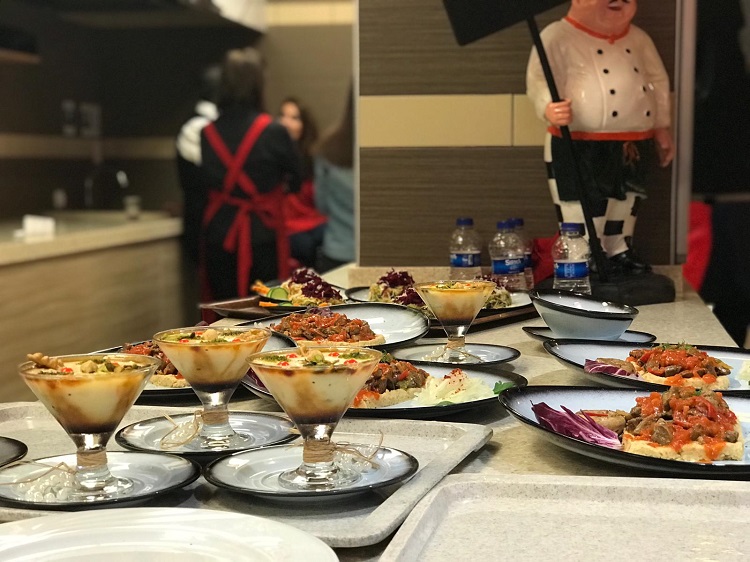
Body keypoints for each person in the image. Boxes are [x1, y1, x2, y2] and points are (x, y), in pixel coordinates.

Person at [526, 0, 675, 275]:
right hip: (579, 142)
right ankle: (584, 254)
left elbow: (658, 82)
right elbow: (538, 80)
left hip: (633, 141)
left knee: (626, 202)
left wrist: (661, 126)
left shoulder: (639, 38)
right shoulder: (557, 36)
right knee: (583, 203)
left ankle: (619, 248)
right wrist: (548, 107)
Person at [198, 48, 302, 300]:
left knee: (224, 310)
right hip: (262, 236)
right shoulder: (273, 131)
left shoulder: (207, 133)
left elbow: (206, 183)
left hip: (218, 235)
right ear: (258, 85)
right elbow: (297, 178)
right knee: (265, 309)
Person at [176, 64, 220, 266]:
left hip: (214, 224)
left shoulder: (210, 123)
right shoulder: (198, 127)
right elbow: (210, 176)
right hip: (203, 225)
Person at [277, 97, 327, 268]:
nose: (286, 123)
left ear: (304, 125)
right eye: (283, 116)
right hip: (288, 227)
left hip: (316, 222)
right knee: (304, 246)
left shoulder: (314, 157)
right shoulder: (270, 155)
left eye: (294, 118)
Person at [313, 86, 355, 272]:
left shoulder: (328, 148)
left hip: (337, 250)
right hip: (381, 255)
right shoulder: (393, 150)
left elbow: (321, 205)